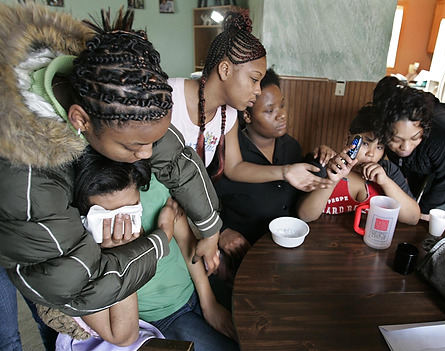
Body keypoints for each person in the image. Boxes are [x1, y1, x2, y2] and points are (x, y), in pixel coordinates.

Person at [0, 4, 220, 321]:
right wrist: (160, 240)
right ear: (80, 120)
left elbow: (175, 159)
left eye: (150, 141)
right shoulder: (26, 179)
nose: (147, 155)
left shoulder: (113, 91)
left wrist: (210, 228)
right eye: (136, 145)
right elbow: (79, 286)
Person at [51, 148, 237, 350]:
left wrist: (208, 303)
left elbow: (185, 240)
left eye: (133, 209)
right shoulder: (73, 246)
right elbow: (122, 333)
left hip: (196, 287)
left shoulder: (147, 187)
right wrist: (120, 253)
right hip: (160, 317)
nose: (125, 223)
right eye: (108, 216)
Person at [168, 10, 333, 193]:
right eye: (254, 79)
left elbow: (235, 167)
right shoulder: (170, 95)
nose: (258, 90)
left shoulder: (228, 113)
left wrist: (286, 171)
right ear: (225, 70)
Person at [214, 68, 313, 275]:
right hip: (243, 256)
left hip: (286, 252)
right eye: (270, 111)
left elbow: (301, 200)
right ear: (247, 116)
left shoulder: (292, 147)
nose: (282, 115)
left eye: (282, 105)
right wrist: (221, 232)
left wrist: (319, 158)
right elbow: (203, 201)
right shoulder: (228, 154)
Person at [373, 76, 445, 215]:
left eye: (415, 137)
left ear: (424, 129)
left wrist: (420, 213)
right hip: (429, 148)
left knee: (433, 212)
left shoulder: (443, 134)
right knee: (412, 195)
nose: (405, 147)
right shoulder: (385, 126)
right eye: (396, 139)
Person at [297, 105, 421, 225]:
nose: (371, 154)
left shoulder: (388, 171)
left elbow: (413, 218)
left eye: (379, 147)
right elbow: (305, 216)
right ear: (348, 139)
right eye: (366, 144)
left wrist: (385, 182)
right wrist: (332, 180)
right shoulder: (326, 163)